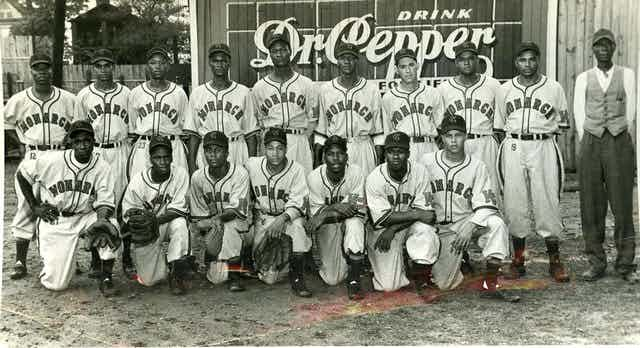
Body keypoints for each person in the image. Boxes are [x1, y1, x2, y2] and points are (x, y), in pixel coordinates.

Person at [419, 115, 519, 302]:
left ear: (466, 137)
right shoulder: (427, 161)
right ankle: (441, 265)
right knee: (445, 284)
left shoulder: (477, 166)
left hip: (466, 221)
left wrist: (471, 225)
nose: (454, 140)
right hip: (440, 228)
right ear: (442, 137)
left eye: (458, 135)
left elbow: (488, 204)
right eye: (449, 135)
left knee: (496, 224)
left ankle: (490, 283)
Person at [15, 120, 120, 294]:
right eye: (77, 141)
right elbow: (22, 174)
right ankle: (59, 266)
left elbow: (105, 201)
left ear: (93, 142)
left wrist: (101, 220)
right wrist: (34, 206)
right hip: (57, 219)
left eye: (87, 140)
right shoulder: (52, 160)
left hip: (86, 216)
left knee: (111, 225)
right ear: (70, 143)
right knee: (57, 284)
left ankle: (107, 276)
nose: (83, 145)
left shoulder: (102, 167)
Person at [498, 42, 571, 282]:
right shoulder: (505, 89)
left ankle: (555, 261)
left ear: (538, 60)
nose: (527, 64)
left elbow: (562, 123)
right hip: (514, 144)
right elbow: (500, 124)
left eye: (531, 59)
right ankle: (518, 261)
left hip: (543, 144)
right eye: (522, 60)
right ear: (515, 62)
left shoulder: (553, 88)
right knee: (514, 202)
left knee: (546, 200)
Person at [573, 28, 638, 282]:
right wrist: (587, 138)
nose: (603, 49)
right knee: (590, 204)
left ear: (613, 48)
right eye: (598, 45)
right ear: (593, 49)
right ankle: (596, 262)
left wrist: (619, 133)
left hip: (618, 140)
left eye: (607, 45)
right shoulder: (583, 78)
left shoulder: (628, 75)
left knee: (622, 204)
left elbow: (631, 110)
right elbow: (579, 112)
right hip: (591, 140)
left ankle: (624, 264)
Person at [5, 53, 76, 280]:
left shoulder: (67, 98)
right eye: (37, 69)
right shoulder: (18, 99)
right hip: (33, 154)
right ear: (31, 71)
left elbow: (77, 127)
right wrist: (21, 146)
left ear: (51, 71)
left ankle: (61, 256)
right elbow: (6, 125)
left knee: (59, 204)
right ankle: (20, 260)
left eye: (46, 68)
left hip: (59, 155)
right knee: (27, 205)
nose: (42, 73)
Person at [74, 48, 133, 278]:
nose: (103, 70)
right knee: (94, 205)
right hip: (95, 151)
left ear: (113, 67)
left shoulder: (126, 93)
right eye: (99, 66)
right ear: (93, 68)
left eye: (107, 65)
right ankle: (96, 260)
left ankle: (126, 257)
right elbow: (78, 129)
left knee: (123, 206)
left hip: (120, 150)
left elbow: (134, 127)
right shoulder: (84, 95)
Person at [365, 131, 439, 293]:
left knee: (426, 230)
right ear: (385, 155)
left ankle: (423, 279)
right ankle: (397, 262)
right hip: (381, 230)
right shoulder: (374, 178)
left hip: (402, 227)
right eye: (391, 152)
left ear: (408, 154)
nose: (396, 156)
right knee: (389, 286)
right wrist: (415, 214)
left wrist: (394, 228)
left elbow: (426, 215)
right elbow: (383, 219)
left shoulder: (420, 172)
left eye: (400, 152)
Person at [244, 127, 313, 297]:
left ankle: (297, 276)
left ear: (286, 148)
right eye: (270, 148)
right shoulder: (251, 165)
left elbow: (299, 202)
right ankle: (247, 261)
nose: (275, 153)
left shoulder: (296, 169)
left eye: (280, 148)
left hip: (287, 218)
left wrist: (283, 219)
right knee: (269, 279)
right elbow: (239, 187)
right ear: (263, 149)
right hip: (264, 218)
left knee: (298, 228)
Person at [121, 135, 193, 295]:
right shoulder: (138, 181)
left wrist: (154, 219)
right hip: (149, 231)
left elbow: (178, 209)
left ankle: (176, 271)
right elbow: (127, 214)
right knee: (149, 281)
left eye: (166, 157)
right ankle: (161, 263)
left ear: (172, 157)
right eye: (158, 157)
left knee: (180, 224)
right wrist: (133, 217)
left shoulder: (180, 174)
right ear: (150, 159)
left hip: (168, 221)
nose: (162, 161)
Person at [437, 42, 505, 206]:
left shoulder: (493, 84)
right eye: (462, 59)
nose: (467, 63)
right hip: (457, 143)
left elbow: (501, 120)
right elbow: (440, 123)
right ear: (456, 62)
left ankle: (492, 224)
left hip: (485, 141)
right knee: (460, 187)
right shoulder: (444, 88)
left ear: (477, 60)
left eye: (471, 58)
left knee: (489, 187)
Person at [189, 131, 251, 291]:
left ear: (227, 152)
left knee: (229, 225)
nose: (213, 155)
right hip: (214, 227)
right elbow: (198, 216)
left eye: (218, 150)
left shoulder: (240, 174)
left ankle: (235, 273)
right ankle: (215, 259)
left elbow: (237, 210)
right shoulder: (197, 177)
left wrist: (216, 220)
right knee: (217, 279)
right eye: (208, 150)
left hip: (243, 226)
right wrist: (207, 241)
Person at [307, 135, 367, 300]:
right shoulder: (314, 177)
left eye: (340, 153)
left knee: (355, 224)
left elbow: (354, 209)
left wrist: (328, 211)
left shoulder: (356, 173)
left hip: (348, 221)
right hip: (328, 226)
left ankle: (354, 279)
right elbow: (315, 217)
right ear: (324, 156)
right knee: (333, 279)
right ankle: (347, 259)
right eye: (331, 154)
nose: (335, 158)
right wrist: (337, 207)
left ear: (346, 156)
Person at [250, 33, 318, 174]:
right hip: (271, 142)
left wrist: (302, 139)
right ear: (270, 55)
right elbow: (257, 121)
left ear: (290, 52)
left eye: (282, 50)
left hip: (298, 139)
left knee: (302, 185)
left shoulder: (306, 84)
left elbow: (313, 119)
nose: (279, 54)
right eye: (274, 51)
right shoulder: (259, 87)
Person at [185, 43, 258, 170]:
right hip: (208, 152)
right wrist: (191, 165)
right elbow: (194, 134)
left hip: (236, 148)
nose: (219, 64)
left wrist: (252, 164)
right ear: (210, 63)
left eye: (223, 60)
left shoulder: (244, 92)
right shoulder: (198, 93)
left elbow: (250, 133)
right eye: (215, 61)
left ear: (229, 63)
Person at [314, 42, 384, 174]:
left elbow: (378, 132)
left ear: (357, 61)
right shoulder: (325, 90)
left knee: (364, 191)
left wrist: (380, 164)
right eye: (343, 58)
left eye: (351, 58)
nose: (347, 61)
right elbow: (321, 131)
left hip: (363, 146)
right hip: (335, 148)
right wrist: (317, 162)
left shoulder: (371, 89)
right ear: (337, 61)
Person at [127, 47, 192, 179]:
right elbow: (133, 127)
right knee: (139, 186)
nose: (157, 66)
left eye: (162, 62)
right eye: (153, 63)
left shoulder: (178, 93)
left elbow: (186, 126)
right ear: (147, 66)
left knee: (177, 185)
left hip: (173, 144)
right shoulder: (136, 93)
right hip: (144, 145)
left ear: (168, 66)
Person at [382, 48, 445, 162]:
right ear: (396, 70)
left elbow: (441, 127)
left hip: (429, 146)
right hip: (403, 148)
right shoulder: (388, 98)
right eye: (403, 67)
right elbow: (388, 133)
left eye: (411, 65)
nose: (408, 70)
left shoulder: (432, 93)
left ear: (417, 66)